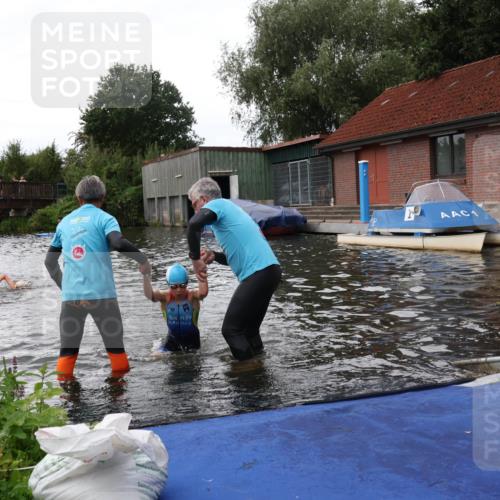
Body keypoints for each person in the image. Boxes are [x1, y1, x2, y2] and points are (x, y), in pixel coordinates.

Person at [44, 175, 151, 380]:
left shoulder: (64, 223)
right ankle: (118, 399)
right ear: (102, 197)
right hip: (103, 297)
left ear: (78, 198)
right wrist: (143, 260)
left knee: (67, 351)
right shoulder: (105, 219)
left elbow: (49, 263)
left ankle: (66, 401)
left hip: (71, 298)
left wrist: (65, 286)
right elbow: (118, 243)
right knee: (115, 349)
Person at [187, 177, 282, 361]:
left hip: (259, 273)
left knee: (231, 330)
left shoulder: (218, 204)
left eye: (194, 204)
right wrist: (215, 256)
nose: (195, 210)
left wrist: (196, 260)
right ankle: (259, 369)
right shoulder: (230, 211)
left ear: (205, 200)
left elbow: (193, 225)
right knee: (249, 331)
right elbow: (237, 257)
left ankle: (247, 373)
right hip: (270, 271)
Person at [143, 263, 208, 352]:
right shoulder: (164, 297)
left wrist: (202, 275)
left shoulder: (192, 296)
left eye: (182, 285)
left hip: (192, 339)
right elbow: (150, 295)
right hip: (172, 339)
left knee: (193, 363)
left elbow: (203, 293)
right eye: (174, 286)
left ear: (187, 283)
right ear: (168, 284)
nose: (178, 290)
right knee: (155, 357)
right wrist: (145, 276)